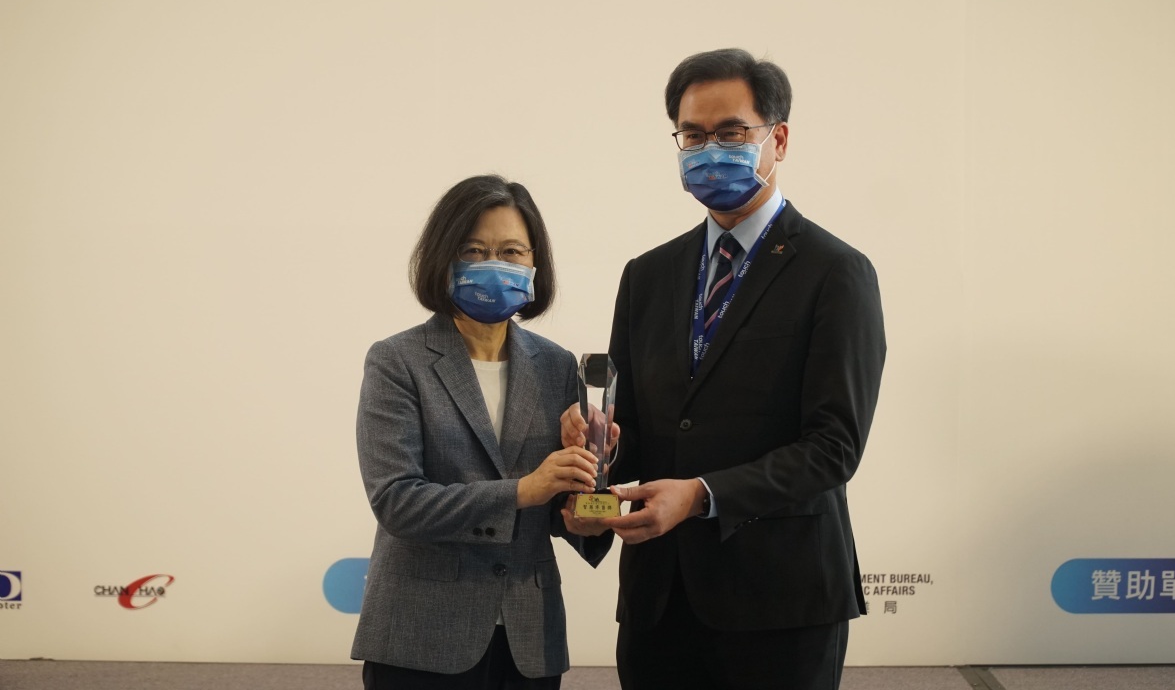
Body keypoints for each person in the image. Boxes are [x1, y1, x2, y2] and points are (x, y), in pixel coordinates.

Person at [562, 48, 886, 689]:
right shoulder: (648, 274)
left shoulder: (836, 272)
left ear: (778, 139)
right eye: (693, 136)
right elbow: (637, 428)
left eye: (732, 133)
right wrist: (599, 459)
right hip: (659, 599)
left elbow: (833, 447)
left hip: (781, 601)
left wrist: (701, 496)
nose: (710, 150)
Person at [353, 174, 610, 690]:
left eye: (512, 252)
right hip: (421, 638)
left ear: (535, 264)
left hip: (529, 640)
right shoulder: (397, 361)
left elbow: (559, 515)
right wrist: (523, 489)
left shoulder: (557, 366)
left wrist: (592, 495)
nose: (495, 264)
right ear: (443, 258)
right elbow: (398, 501)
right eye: (474, 250)